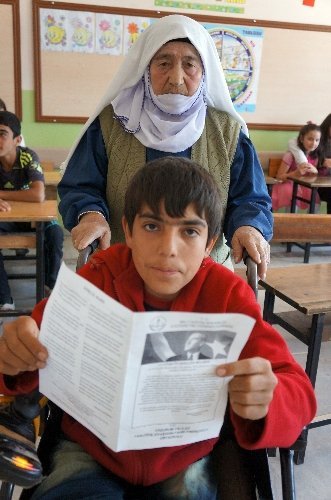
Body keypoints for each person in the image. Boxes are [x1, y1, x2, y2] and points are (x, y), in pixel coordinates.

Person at [0, 157, 316, 499]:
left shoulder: (227, 295)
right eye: (152, 226)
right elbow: (30, 350)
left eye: (190, 231)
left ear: (209, 243)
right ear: (129, 231)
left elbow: (299, 394)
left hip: (186, 455)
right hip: (90, 449)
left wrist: (269, 399)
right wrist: (15, 355)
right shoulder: (99, 276)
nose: (168, 249)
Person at [58, 14, 272, 280]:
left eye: (190, 65)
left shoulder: (228, 132)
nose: (176, 78)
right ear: (145, 70)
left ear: (205, 71)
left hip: (205, 278)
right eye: (163, 63)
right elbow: (81, 185)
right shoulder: (111, 124)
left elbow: (250, 198)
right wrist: (91, 216)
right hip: (123, 273)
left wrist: (249, 226)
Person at [0, 111, 64, 309]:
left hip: (35, 219)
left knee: (55, 233)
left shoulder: (27, 156)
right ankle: (5, 299)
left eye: (2, 134)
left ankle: (49, 286)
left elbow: (38, 195)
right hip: (8, 220)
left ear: (17, 139)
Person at [272, 123, 321, 211]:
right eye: (310, 139)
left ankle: (310, 223)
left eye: (317, 140)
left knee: (315, 196)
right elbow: (279, 177)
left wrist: (315, 172)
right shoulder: (290, 155)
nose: (314, 143)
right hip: (287, 184)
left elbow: (312, 179)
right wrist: (295, 173)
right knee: (290, 193)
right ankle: (290, 223)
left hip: (304, 186)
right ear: (302, 139)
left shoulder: (315, 157)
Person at [288, 114, 331, 212]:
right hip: (317, 181)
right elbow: (293, 143)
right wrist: (322, 162)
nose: (314, 142)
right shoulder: (317, 137)